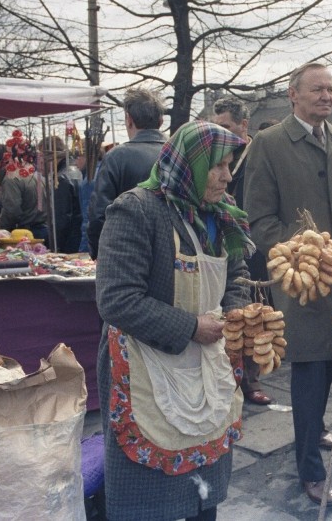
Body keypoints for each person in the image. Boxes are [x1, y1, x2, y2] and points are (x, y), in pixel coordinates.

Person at [95, 120, 252, 520]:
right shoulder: (136, 210)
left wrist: (235, 311)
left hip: (205, 365)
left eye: (230, 165)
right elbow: (116, 299)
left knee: (204, 489)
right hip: (147, 363)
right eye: (218, 166)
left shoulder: (221, 217)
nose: (226, 176)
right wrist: (191, 328)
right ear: (191, 164)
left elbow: (235, 275)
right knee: (149, 496)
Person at [243, 62, 332, 506]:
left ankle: (314, 426)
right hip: (302, 280)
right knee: (310, 365)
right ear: (292, 94)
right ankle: (310, 471)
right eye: (317, 89)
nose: (327, 97)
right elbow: (258, 216)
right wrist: (300, 255)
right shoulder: (269, 143)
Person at [211, 96, 274, 406]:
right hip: (226, 238)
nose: (220, 132)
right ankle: (227, 373)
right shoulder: (220, 153)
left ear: (243, 126)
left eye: (226, 126)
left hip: (255, 241)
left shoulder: (258, 152)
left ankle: (251, 378)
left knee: (252, 310)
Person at [87, 87, 167, 259]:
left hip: (127, 253)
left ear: (129, 120)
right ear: (161, 121)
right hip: (175, 254)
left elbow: (99, 214)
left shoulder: (117, 156)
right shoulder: (179, 155)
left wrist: (98, 254)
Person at [0, 131, 48, 241]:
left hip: (25, 234)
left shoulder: (12, 178)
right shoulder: (37, 173)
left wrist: (2, 229)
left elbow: (12, 210)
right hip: (44, 229)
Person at [38, 136, 82, 253]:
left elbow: (61, 219)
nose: (42, 161)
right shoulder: (75, 171)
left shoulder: (61, 179)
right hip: (78, 238)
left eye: (43, 156)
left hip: (68, 243)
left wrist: (53, 247)